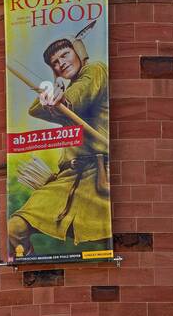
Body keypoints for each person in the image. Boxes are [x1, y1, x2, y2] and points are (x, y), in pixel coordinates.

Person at [8, 36, 110, 258]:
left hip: (99, 175)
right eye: (55, 62)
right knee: (15, 226)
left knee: (111, 239)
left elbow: (78, 95)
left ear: (78, 52)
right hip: (66, 179)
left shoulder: (95, 70)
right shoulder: (62, 96)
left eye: (65, 55)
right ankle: (30, 271)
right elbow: (36, 110)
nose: (60, 63)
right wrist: (55, 85)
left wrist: (62, 97)